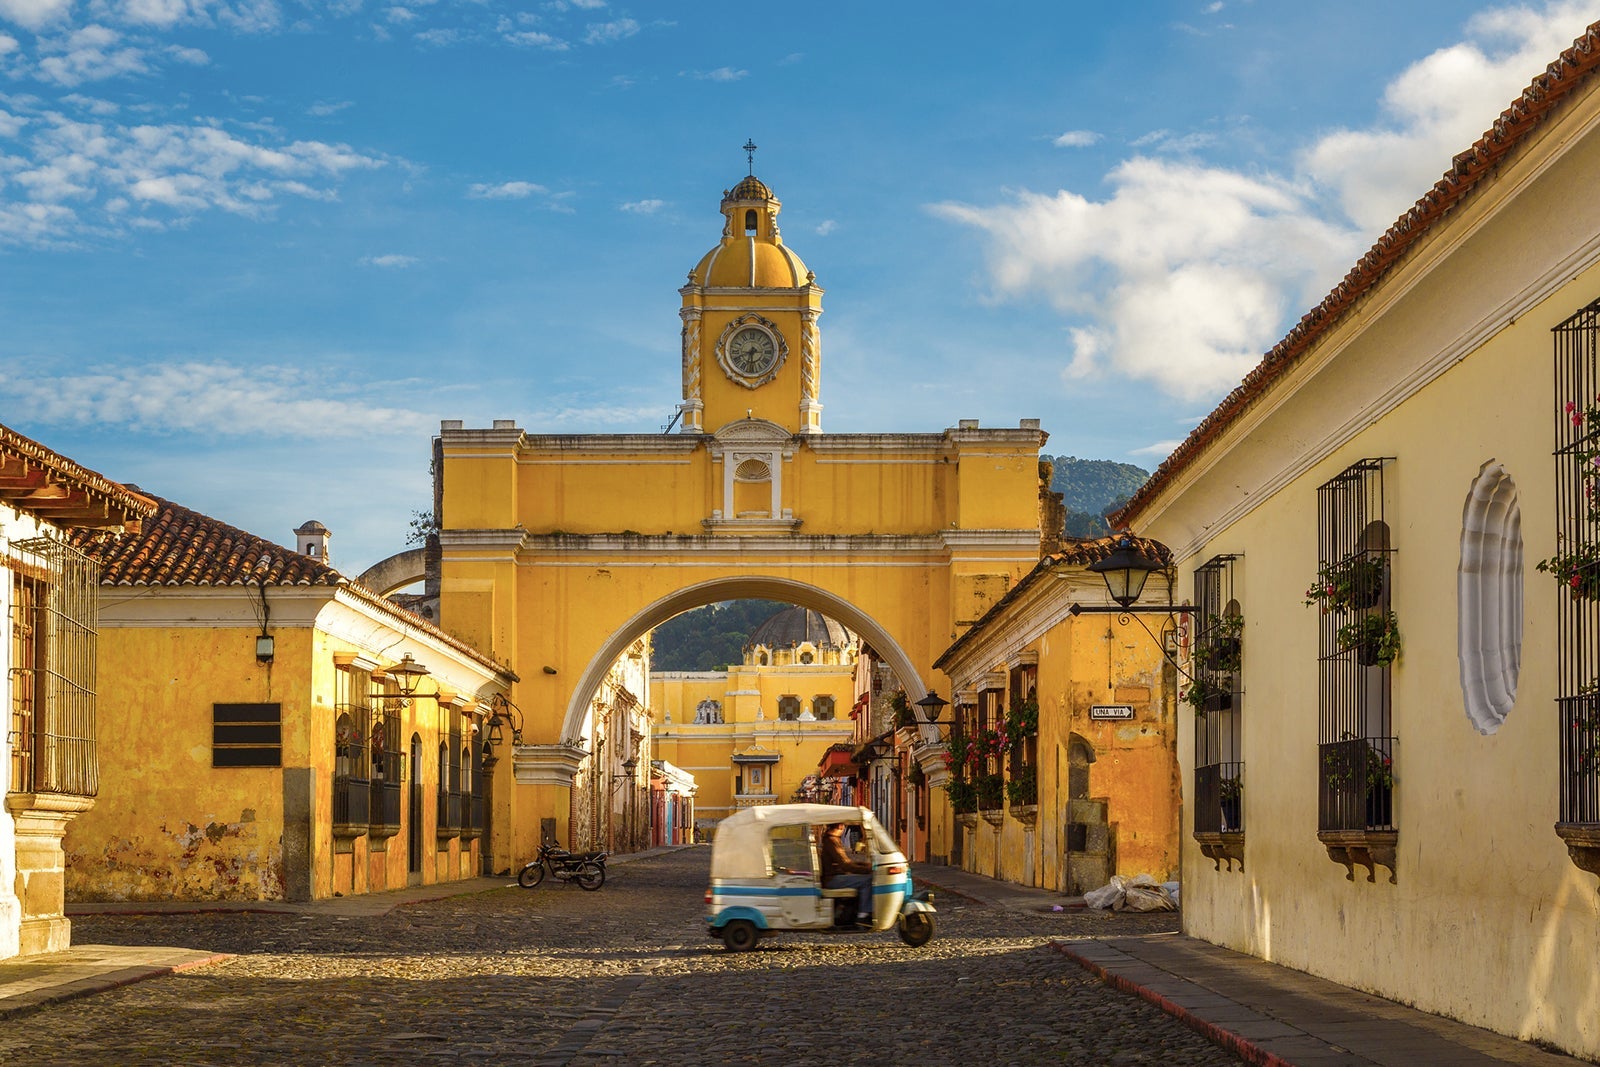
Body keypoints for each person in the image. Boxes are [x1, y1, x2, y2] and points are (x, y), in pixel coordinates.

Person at [818, 822, 872, 924]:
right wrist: (868, 870)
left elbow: (846, 862)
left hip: (835, 876)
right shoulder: (831, 841)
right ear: (840, 826)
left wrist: (863, 865)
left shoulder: (831, 840)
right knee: (868, 880)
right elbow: (845, 865)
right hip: (832, 879)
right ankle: (863, 915)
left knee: (864, 877)